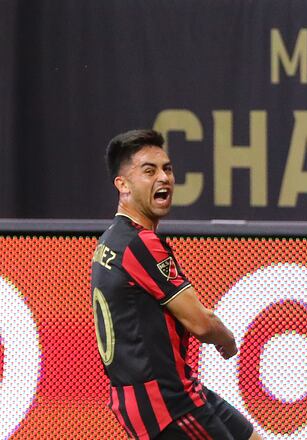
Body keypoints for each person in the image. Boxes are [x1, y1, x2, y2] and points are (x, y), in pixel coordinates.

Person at [90, 129, 261, 439]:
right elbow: (200, 322)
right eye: (149, 170)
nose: (164, 178)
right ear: (123, 185)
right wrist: (228, 342)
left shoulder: (109, 241)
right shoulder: (139, 244)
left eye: (167, 168)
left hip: (172, 389)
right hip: (167, 403)